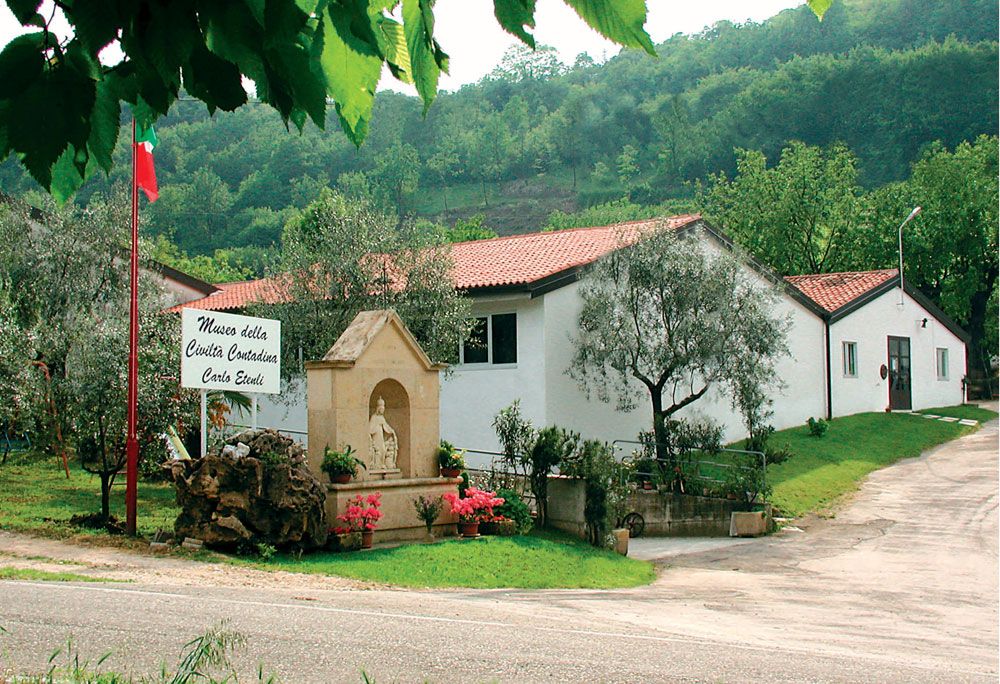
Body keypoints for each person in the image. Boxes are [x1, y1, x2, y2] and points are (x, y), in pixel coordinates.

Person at [368, 396, 397, 469]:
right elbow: (370, 429)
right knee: (379, 450)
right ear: (378, 409)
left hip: (381, 436)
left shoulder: (382, 418)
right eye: (381, 409)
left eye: (383, 409)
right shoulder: (374, 417)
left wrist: (391, 431)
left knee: (383, 449)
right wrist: (377, 425)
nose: (382, 411)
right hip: (376, 437)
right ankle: (377, 465)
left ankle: (382, 464)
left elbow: (386, 426)